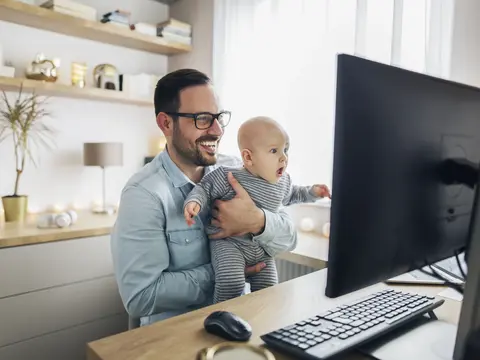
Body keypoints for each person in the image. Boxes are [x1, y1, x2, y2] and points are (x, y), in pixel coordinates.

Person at [110, 69, 298, 326]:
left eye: (219, 117)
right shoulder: (144, 195)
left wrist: (258, 221)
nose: (218, 130)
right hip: (176, 337)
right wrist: (225, 272)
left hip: (240, 323)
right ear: (166, 123)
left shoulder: (238, 171)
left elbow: (290, 239)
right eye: (202, 119)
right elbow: (140, 297)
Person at [184, 116, 331, 303]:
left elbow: (294, 195)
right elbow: (205, 188)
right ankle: (221, 318)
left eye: (285, 150)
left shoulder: (283, 181)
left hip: (262, 248)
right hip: (230, 244)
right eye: (274, 151)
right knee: (232, 283)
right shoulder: (229, 175)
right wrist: (194, 201)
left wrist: (313, 192)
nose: (283, 157)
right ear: (248, 157)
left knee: (270, 288)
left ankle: (262, 324)